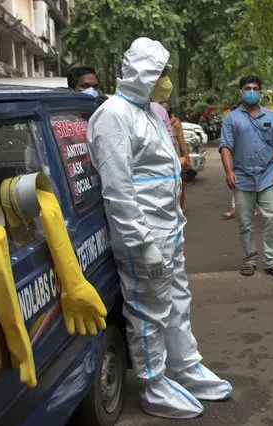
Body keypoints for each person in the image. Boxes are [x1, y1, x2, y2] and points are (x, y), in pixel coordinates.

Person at [87, 37, 231, 419]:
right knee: (148, 311)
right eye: (161, 72)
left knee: (176, 302)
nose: (166, 80)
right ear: (143, 72)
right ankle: (153, 384)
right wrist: (141, 244)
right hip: (143, 239)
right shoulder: (114, 115)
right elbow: (117, 190)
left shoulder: (149, 111)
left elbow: (159, 173)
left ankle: (185, 367)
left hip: (168, 231)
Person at [219, 75, 273, 279]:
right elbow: (225, 147)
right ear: (240, 92)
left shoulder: (271, 117)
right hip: (242, 177)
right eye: (248, 88)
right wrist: (229, 172)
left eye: (256, 88)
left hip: (268, 175)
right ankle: (249, 259)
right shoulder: (231, 119)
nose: (252, 91)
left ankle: (272, 261)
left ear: (260, 92)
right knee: (245, 221)